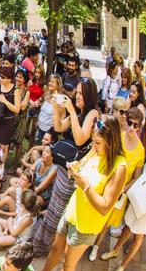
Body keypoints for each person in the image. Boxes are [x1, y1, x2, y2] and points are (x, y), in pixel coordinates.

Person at [39, 114, 126, 271]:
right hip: (72, 211)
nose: (95, 147)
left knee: (68, 265)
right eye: (93, 142)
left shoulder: (119, 167)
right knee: (55, 249)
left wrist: (85, 185)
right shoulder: (95, 149)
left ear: (111, 141)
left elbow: (105, 207)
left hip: (86, 225)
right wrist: (76, 166)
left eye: (98, 143)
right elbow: (83, 163)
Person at [32, 77, 99, 257]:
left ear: (89, 95)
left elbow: (79, 139)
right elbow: (59, 127)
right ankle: (42, 243)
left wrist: (71, 109)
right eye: (76, 92)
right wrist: (56, 107)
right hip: (63, 167)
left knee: (57, 211)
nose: (77, 96)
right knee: (54, 208)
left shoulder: (92, 114)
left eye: (81, 94)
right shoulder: (78, 112)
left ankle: (48, 247)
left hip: (73, 173)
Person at [89, 107, 145, 261]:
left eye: (135, 125)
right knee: (96, 212)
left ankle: (96, 246)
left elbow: (137, 177)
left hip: (120, 192)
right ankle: (89, 240)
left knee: (107, 222)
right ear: (125, 121)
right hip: (106, 181)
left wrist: (123, 189)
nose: (132, 127)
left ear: (139, 127)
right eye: (129, 122)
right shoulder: (118, 137)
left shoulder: (140, 150)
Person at [99, 134, 146, 271]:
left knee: (139, 235)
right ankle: (115, 250)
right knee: (128, 225)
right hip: (142, 190)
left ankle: (123, 266)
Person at [0, 67, 21, 162]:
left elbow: (17, 110)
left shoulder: (16, 90)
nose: (0, 78)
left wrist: (5, 101)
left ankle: (0, 169)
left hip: (7, 122)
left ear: (10, 79)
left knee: (4, 148)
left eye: (3, 77)